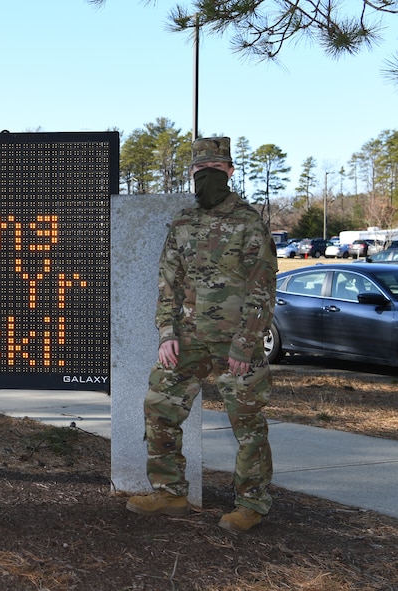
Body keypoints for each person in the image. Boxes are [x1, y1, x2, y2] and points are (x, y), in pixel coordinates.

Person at [125, 137, 277, 533]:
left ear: (229, 171)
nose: (206, 175)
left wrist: (246, 345)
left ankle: (251, 503)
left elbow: (262, 288)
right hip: (186, 340)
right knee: (159, 408)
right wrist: (165, 332)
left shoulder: (249, 222)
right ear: (192, 173)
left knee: (247, 424)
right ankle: (170, 492)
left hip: (235, 343)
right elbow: (167, 282)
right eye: (199, 169)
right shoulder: (182, 221)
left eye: (215, 168)